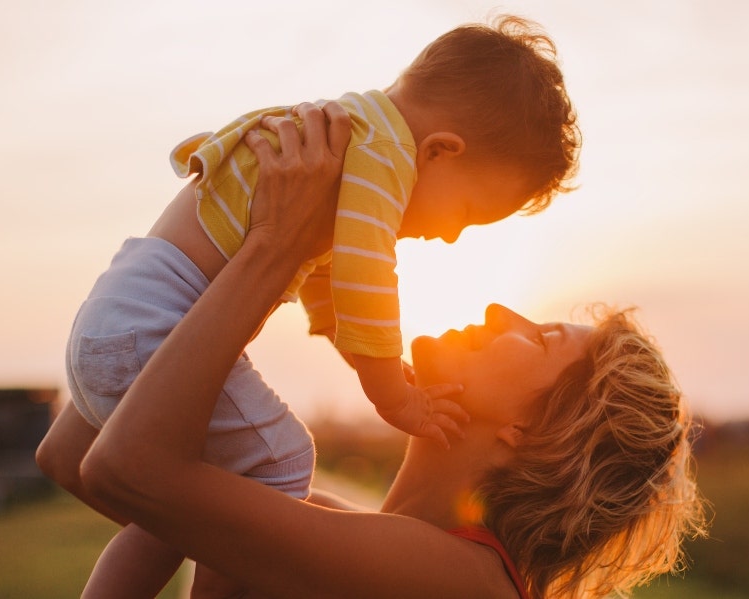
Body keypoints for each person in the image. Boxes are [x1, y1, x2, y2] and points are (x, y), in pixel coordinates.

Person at [39, 15, 580, 597]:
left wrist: (309, 298)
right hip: (154, 323)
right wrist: (388, 390)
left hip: (121, 313)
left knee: (200, 498)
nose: (451, 237)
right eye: (469, 212)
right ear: (441, 151)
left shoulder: (350, 134)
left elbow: (327, 275)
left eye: (542, 338)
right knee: (280, 466)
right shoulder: (382, 163)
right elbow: (364, 275)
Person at [77, 99, 706, 598]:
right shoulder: (338, 525)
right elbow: (77, 458)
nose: (496, 311)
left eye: (541, 338)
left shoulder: (462, 580)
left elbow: (123, 468)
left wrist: (277, 245)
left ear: (531, 427)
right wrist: (160, 306)